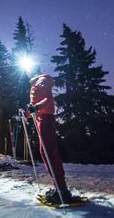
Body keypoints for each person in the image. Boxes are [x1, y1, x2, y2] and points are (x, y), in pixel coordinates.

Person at [25, 73, 72, 204]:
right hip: (42, 119)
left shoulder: (42, 80)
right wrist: (27, 113)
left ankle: (62, 190)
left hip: (46, 119)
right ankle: (59, 187)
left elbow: (48, 100)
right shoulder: (35, 83)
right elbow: (35, 105)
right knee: (45, 152)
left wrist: (36, 107)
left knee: (49, 152)